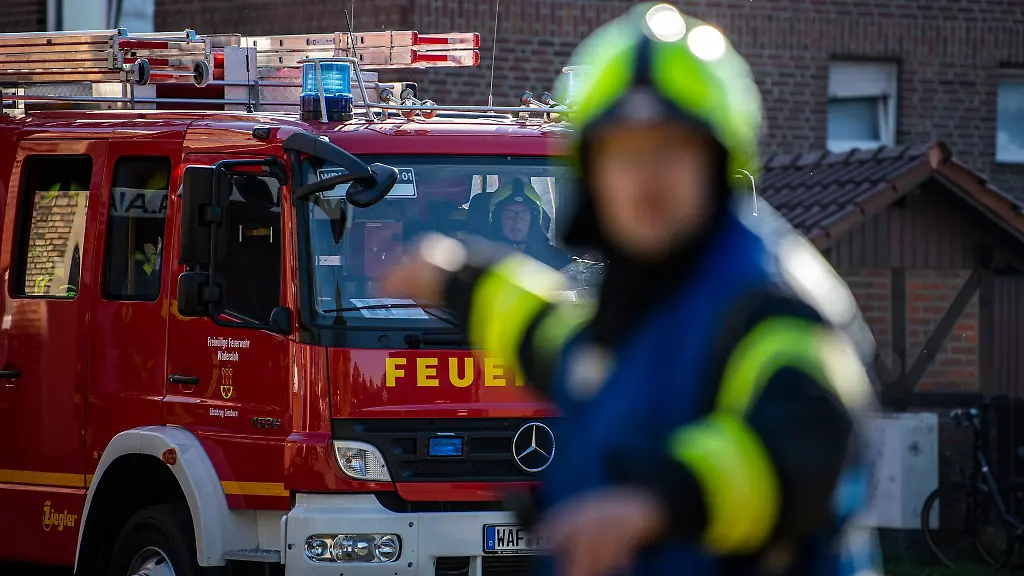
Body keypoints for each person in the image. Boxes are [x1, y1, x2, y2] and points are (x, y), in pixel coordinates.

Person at [381, 4, 881, 576]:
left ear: (719, 159)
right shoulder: (645, 293)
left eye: (671, 147)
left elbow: (807, 442)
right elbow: (561, 345)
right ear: (591, 171)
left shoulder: (771, 300)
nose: (646, 176)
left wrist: (657, 504)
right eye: (622, 152)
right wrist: (458, 281)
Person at [489, 178, 572, 270]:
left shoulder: (559, 261)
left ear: (533, 220)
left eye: (524, 213)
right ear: (497, 219)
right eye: (510, 214)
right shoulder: (481, 260)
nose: (517, 220)